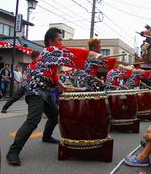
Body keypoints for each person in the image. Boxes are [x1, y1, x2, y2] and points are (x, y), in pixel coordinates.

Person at [6, 28, 102, 166]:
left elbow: (52, 74)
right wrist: (92, 55)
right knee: (33, 120)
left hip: (45, 92)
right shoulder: (49, 51)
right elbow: (70, 53)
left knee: (54, 115)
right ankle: (13, 151)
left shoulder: (51, 58)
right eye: (59, 40)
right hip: (35, 91)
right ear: (51, 41)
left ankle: (46, 136)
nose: (61, 42)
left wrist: (60, 84)